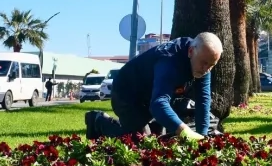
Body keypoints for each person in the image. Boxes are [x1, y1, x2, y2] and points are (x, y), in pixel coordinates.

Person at [85, 32, 222, 142]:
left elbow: (203, 101)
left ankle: (147, 126)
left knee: (158, 140)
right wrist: (184, 131)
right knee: (141, 141)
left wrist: (201, 137)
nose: (206, 70)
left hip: (149, 95)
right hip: (126, 92)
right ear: (191, 51)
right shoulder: (169, 61)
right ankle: (98, 121)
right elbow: (158, 103)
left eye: (211, 65)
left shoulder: (203, 60)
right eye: (204, 63)